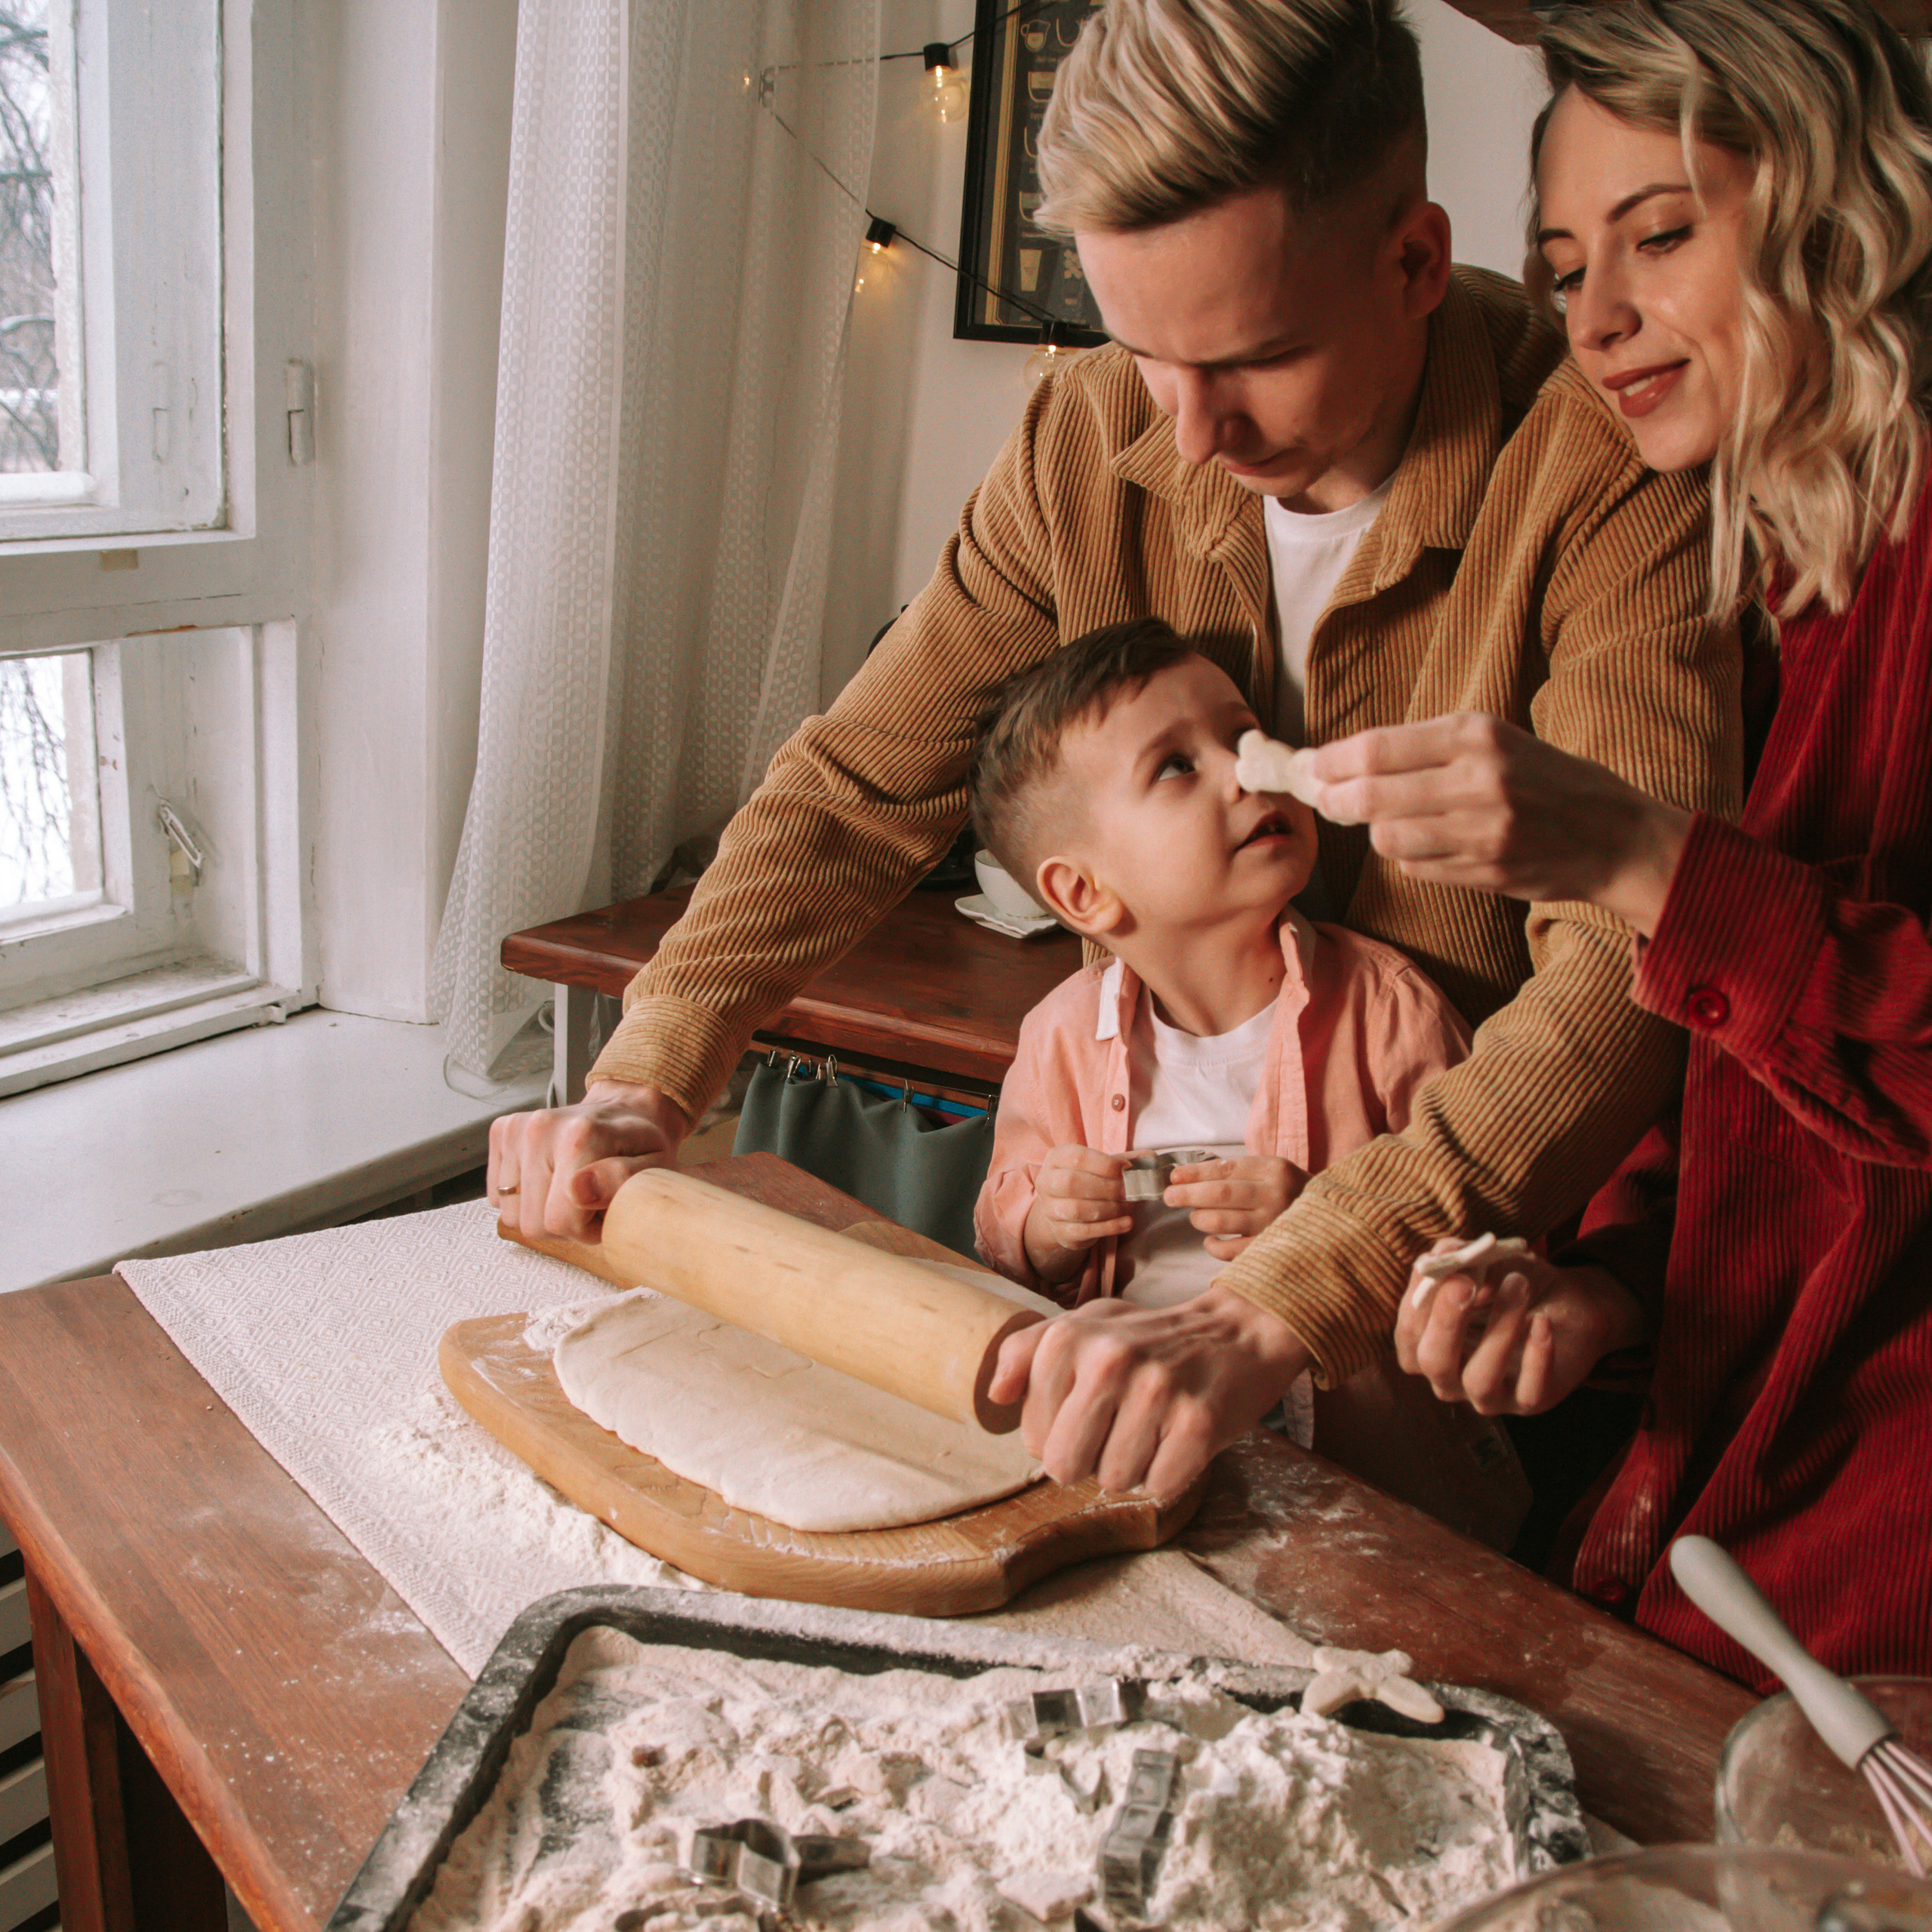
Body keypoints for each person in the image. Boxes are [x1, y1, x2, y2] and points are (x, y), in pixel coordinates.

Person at [488, 0, 1741, 1506]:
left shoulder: (1607, 460)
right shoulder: (1085, 437)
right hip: (1178, 1373)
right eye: (1141, 348)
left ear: (1413, 259)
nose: (1189, 432)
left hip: (1475, 1376)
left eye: (1250, 358)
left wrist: (1284, 1290)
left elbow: (1625, 959)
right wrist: (646, 1074)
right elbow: (847, 794)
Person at [1304, 0, 1932, 1681]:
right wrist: (1602, 1292)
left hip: (1875, 1595)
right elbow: (1769, 1111)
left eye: (1657, 236)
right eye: (1567, 261)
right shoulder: (1777, 580)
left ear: (1837, 206)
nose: (1595, 318)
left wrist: (1640, 859)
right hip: (1707, 1524)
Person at [969, 621, 1540, 1538]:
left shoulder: (1392, 1012)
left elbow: (1495, 1267)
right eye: (1175, 767)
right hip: (1140, 1485)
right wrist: (1042, 1226)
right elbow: (1001, 1235)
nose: (1251, 772)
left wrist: (1318, 1221)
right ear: (1084, 894)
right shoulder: (1059, 1037)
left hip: (1376, 1503)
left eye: (1244, 738)